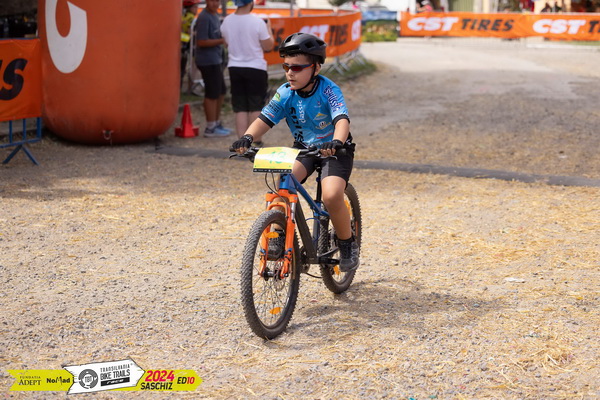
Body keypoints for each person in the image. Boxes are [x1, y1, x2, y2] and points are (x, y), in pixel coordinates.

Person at [231, 33, 360, 272]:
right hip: (304, 149)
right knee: (284, 184)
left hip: (335, 149)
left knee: (332, 195)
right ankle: (279, 234)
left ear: (316, 68)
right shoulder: (285, 92)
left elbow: (342, 119)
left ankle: (347, 243)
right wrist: (247, 137)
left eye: (297, 68)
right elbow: (265, 118)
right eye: (286, 67)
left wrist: (336, 141)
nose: (290, 73)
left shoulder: (328, 89)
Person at [220, 0, 274, 142]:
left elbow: (226, 43)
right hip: (255, 67)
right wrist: (269, 28)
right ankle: (255, 140)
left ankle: (242, 143)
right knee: (256, 105)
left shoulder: (227, 21)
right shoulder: (258, 22)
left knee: (240, 107)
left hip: (234, 66)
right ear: (250, 3)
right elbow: (268, 46)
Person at [195, 0, 232, 137]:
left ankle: (216, 123)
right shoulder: (204, 17)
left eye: (217, 1)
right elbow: (201, 41)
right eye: (212, 0)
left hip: (216, 59)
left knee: (221, 91)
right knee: (212, 93)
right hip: (207, 61)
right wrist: (222, 41)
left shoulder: (215, 15)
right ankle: (210, 127)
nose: (215, 3)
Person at [181, 0, 199, 90]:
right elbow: (190, 31)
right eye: (195, 7)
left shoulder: (183, 16)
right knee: (193, 66)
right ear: (189, 8)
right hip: (190, 43)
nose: (197, 9)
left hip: (182, 43)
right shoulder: (191, 18)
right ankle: (190, 87)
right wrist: (198, 33)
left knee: (182, 67)